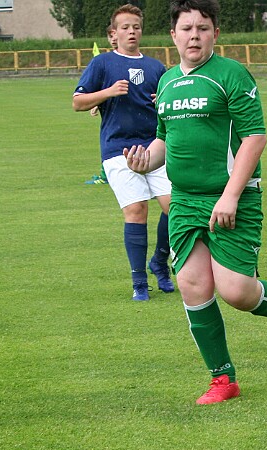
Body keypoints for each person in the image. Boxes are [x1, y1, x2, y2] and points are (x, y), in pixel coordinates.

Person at [124, 0, 267, 405]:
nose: (194, 36)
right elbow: (164, 139)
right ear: (173, 35)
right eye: (186, 28)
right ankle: (222, 379)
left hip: (233, 199)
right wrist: (144, 161)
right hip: (185, 201)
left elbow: (255, 137)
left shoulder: (231, 74)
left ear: (215, 34)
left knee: (237, 291)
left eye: (203, 28)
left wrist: (230, 195)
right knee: (192, 285)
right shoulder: (167, 81)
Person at [73, 4, 174, 301]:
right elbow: (77, 102)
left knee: (175, 207)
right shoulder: (102, 63)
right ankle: (139, 282)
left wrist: (162, 102)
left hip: (155, 147)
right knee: (137, 210)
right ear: (113, 34)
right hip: (119, 148)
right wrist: (106, 93)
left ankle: (159, 262)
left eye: (136, 27)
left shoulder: (156, 67)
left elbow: (169, 107)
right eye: (125, 27)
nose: (132, 32)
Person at [86, 25, 119, 186]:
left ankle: (106, 175)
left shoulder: (129, 61)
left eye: (115, 34)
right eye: (110, 36)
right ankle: (105, 173)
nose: (113, 39)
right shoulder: (105, 60)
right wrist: (96, 102)